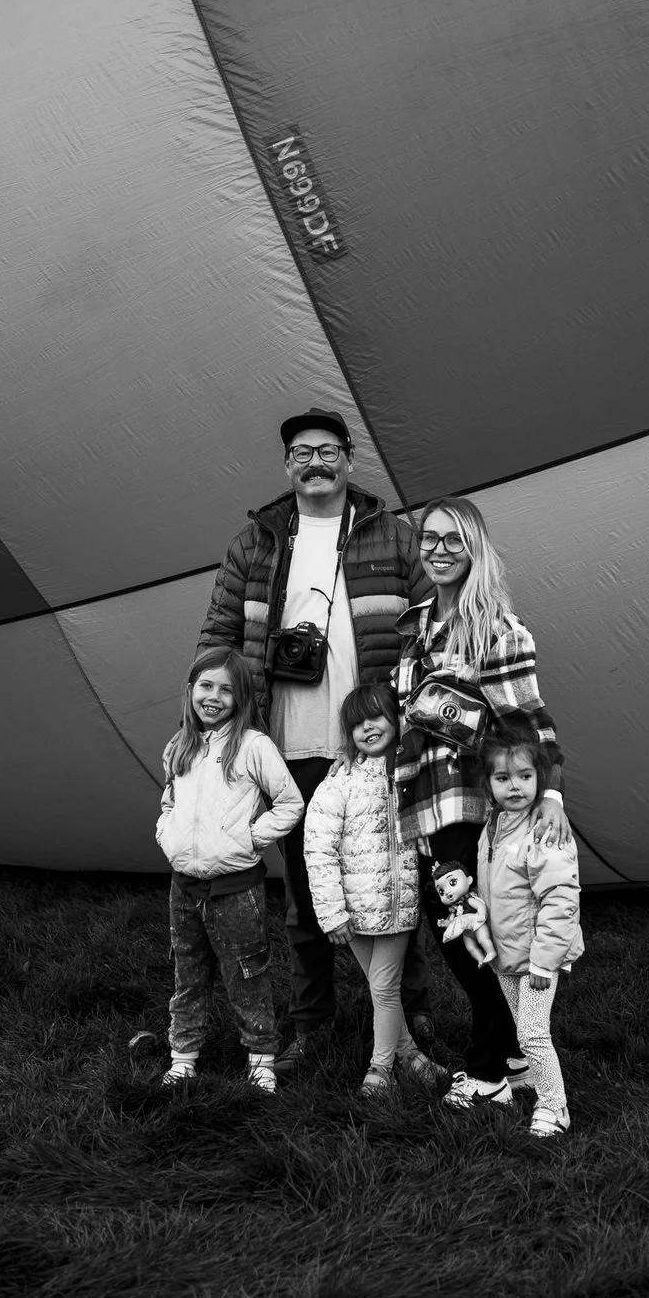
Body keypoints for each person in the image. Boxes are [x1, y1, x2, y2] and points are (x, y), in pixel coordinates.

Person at [199, 409, 434, 1074]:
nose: (315, 463)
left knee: (397, 880)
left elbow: (430, 618)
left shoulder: (391, 537)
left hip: (372, 744)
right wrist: (217, 721)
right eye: (301, 453)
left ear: (350, 460)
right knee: (305, 893)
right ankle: (313, 1020)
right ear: (287, 466)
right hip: (288, 745)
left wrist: (412, 700)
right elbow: (219, 630)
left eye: (328, 451)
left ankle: (409, 1011)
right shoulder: (258, 541)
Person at [393, 496, 572, 1109]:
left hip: (467, 802)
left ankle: (490, 1067)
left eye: (453, 540)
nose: (439, 550)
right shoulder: (416, 623)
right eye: (429, 539)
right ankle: (519, 1055)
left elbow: (528, 718)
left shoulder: (496, 628)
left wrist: (549, 791)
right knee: (460, 930)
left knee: (466, 935)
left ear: (474, 548)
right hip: (420, 798)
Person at [154, 647, 303, 1092]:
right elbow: (169, 802)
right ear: (190, 691)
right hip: (185, 888)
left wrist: (250, 839)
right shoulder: (178, 746)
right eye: (205, 686)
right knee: (188, 970)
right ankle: (183, 1056)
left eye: (226, 689)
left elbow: (290, 802)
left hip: (237, 888)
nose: (213, 697)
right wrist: (168, 833)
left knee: (247, 972)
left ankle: (260, 1057)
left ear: (241, 698)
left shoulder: (254, 746)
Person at [303, 683, 450, 1097]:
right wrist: (332, 913)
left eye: (376, 717)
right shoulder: (340, 782)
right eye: (356, 724)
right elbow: (318, 848)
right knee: (379, 988)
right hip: (353, 911)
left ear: (398, 718)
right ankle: (410, 1055)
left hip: (398, 905)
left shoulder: (412, 774)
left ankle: (379, 1068)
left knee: (384, 987)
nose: (367, 728)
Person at [473, 715, 583, 1137]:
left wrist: (543, 963)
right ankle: (534, 1082)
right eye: (503, 777)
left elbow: (560, 899)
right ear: (489, 784)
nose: (514, 786)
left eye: (524, 776)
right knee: (523, 1031)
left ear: (540, 778)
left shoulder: (544, 829)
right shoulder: (493, 827)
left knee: (534, 1034)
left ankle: (555, 1108)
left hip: (537, 957)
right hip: (506, 953)